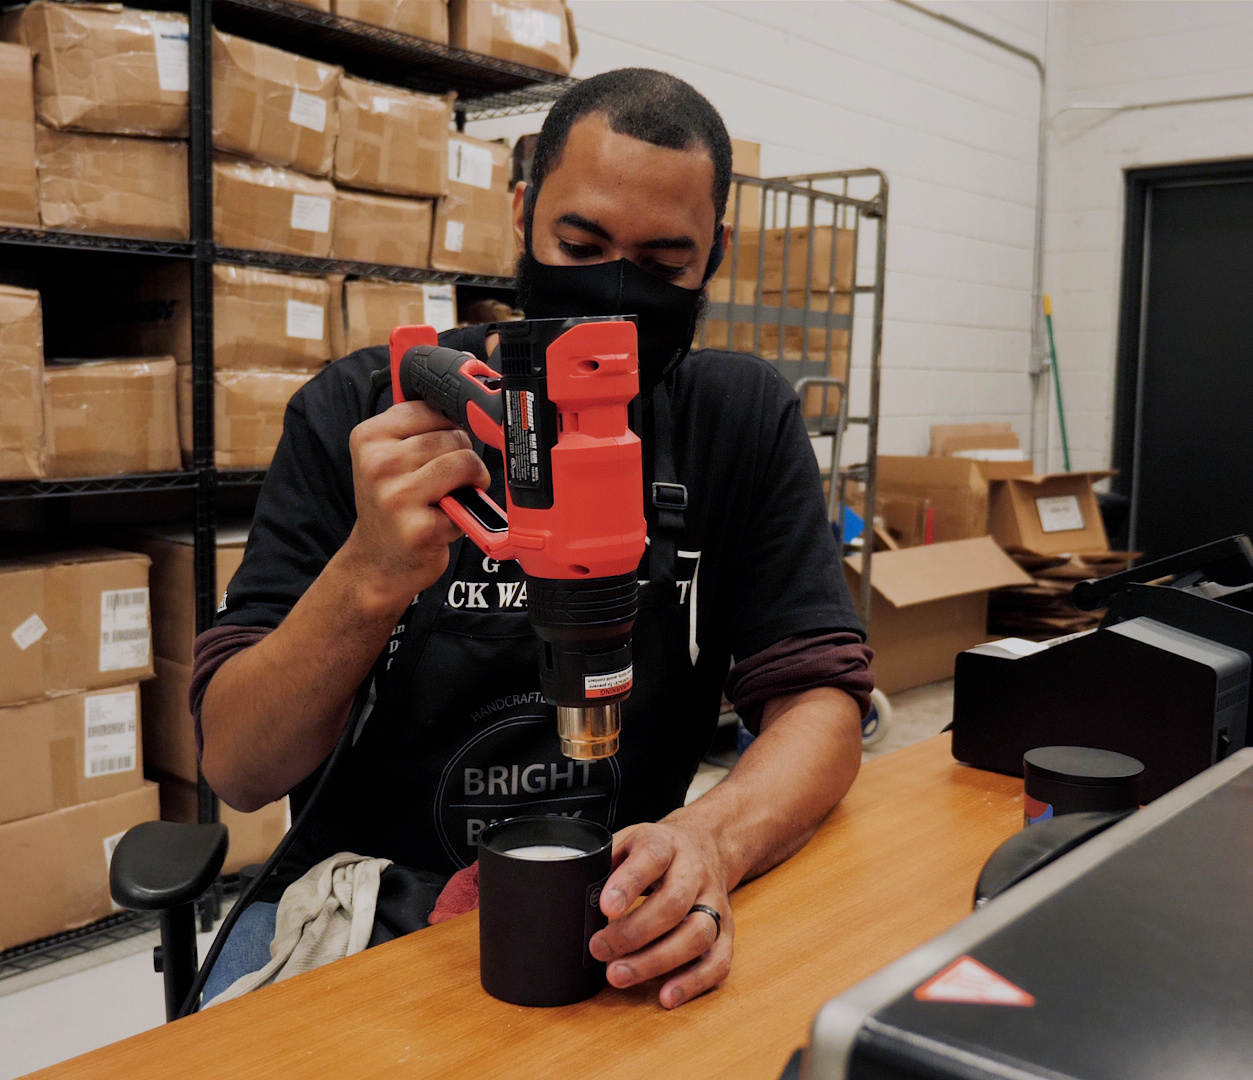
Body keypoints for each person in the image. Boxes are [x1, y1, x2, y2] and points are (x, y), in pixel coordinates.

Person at [191, 68, 872, 1010]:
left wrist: (711, 839)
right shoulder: (365, 414)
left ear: (715, 252)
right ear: (522, 212)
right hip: (363, 904)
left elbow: (821, 704)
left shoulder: (737, 421)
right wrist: (368, 576)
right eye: (580, 243)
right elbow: (237, 764)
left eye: (664, 262)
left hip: (619, 908)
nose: (615, 289)